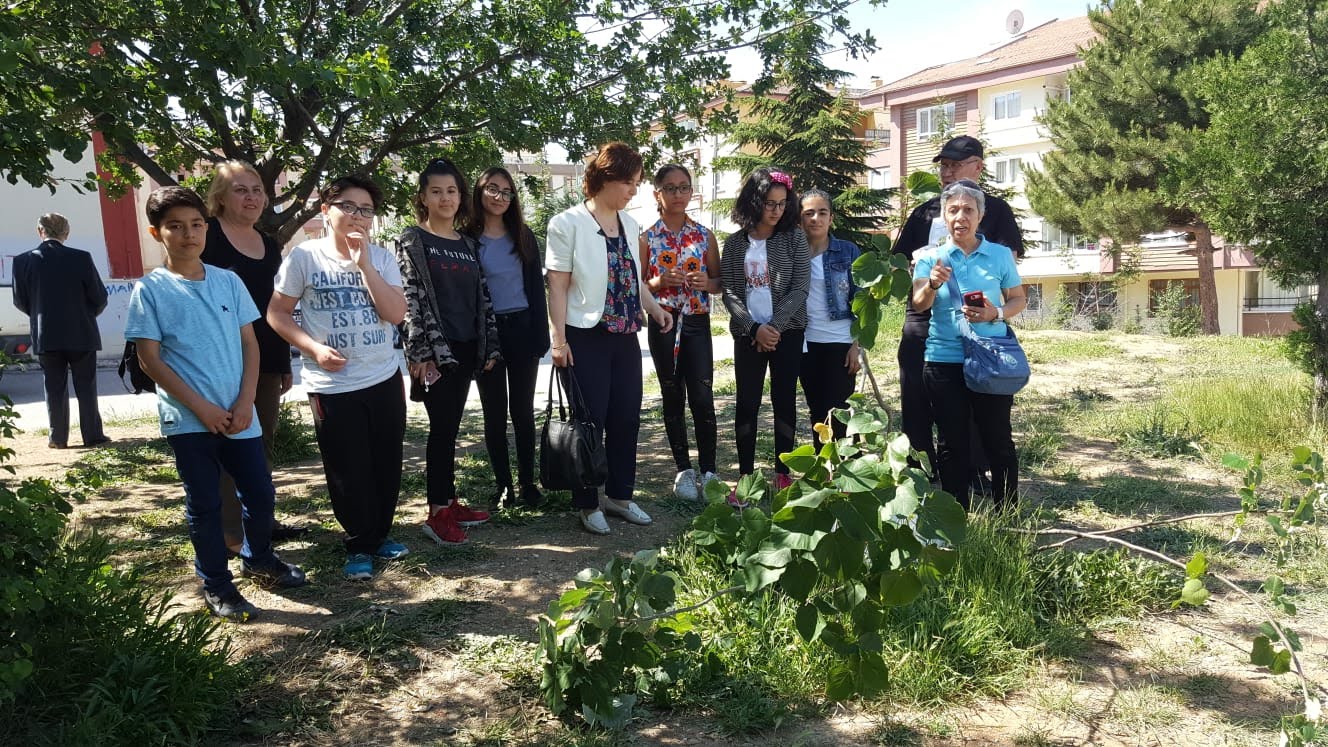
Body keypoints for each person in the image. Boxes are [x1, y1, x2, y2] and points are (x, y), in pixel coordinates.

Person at [125, 186, 306, 621]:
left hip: (240, 414)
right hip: (190, 421)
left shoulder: (228, 281)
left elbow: (251, 345)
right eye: (175, 226)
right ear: (156, 233)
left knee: (259, 493)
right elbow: (150, 360)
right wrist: (202, 408)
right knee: (205, 503)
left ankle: (259, 558)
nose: (188, 234)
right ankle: (217, 584)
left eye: (195, 224)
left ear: (206, 227)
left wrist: (246, 402)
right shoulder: (150, 290)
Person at [268, 175, 409, 581]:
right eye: (348, 206)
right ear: (326, 210)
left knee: (386, 462)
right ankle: (359, 543)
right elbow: (277, 314)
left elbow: (395, 313)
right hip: (332, 386)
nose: (357, 216)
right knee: (348, 467)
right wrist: (312, 348)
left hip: (382, 377)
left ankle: (380, 535)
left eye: (366, 210)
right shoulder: (305, 257)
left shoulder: (381, 258)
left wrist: (364, 265)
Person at [546, 142, 673, 535]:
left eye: (636, 182)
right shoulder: (566, 223)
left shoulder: (630, 225)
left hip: (625, 336)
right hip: (586, 336)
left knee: (626, 418)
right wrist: (558, 340)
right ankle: (587, 503)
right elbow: (557, 286)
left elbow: (633, 279)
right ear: (604, 179)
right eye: (628, 182)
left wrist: (655, 308)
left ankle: (620, 495)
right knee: (590, 422)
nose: (634, 190)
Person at [893, 136, 1024, 471]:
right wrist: (924, 273)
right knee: (916, 395)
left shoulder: (996, 210)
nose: (947, 171)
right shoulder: (925, 211)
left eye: (955, 164)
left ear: (978, 167)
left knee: (979, 396)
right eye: (944, 165)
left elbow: (1008, 263)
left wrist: (990, 307)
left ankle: (974, 472)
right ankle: (920, 471)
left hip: (976, 319)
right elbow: (900, 260)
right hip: (924, 314)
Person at [201, 160, 305, 556]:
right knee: (228, 442)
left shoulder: (269, 243)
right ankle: (231, 533)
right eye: (240, 189)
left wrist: (283, 362)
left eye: (257, 190)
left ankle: (261, 521)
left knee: (261, 443)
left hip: (266, 359)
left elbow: (275, 307)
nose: (251, 197)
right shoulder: (205, 235)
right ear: (220, 196)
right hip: (219, 360)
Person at [396, 158, 500, 545]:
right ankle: (437, 513)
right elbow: (409, 300)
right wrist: (419, 352)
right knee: (441, 429)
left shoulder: (468, 244)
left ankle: (449, 501)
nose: (445, 198)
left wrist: (489, 344)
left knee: (452, 427)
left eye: (452, 191)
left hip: (468, 347)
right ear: (423, 197)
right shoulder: (413, 240)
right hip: (436, 353)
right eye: (436, 191)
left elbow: (482, 298)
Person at [911, 180, 1027, 509]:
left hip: (990, 358)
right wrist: (932, 284)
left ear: (980, 216)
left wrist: (995, 313)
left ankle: (1007, 513)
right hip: (943, 359)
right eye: (953, 210)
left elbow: (1018, 299)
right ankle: (956, 515)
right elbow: (919, 304)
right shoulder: (930, 258)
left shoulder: (1000, 255)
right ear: (944, 217)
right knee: (951, 441)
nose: (960, 216)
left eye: (968, 210)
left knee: (997, 438)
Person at [720, 167, 810, 501]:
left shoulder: (794, 238)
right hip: (748, 335)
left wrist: (773, 328)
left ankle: (782, 474)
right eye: (770, 203)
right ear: (754, 202)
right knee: (747, 403)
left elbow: (800, 288)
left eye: (782, 203)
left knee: (784, 400)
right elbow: (729, 292)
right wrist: (754, 329)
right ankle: (745, 478)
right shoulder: (734, 244)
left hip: (787, 333)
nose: (776, 210)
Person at [467, 167, 550, 510]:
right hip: (487, 334)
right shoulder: (466, 238)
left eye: (506, 192)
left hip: (522, 329)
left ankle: (528, 483)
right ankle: (504, 485)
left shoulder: (523, 235)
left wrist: (542, 336)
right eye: (492, 189)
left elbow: (536, 290)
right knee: (494, 413)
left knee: (523, 411)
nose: (499, 197)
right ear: (479, 192)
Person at [638, 163, 722, 501]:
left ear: (691, 191)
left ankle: (710, 472)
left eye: (683, 187)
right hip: (663, 322)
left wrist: (706, 282)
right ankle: (683, 471)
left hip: (697, 321)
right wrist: (659, 282)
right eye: (670, 188)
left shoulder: (704, 235)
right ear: (657, 193)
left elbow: (719, 282)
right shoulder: (646, 238)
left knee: (702, 396)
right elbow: (637, 287)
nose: (678, 194)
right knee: (673, 395)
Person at [12, 213, 110, 449]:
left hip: (46, 333)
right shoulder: (81, 258)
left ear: (40, 231)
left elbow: (20, 301)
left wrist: (39, 314)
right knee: (86, 386)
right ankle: (92, 435)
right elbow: (99, 297)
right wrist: (86, 315)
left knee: (53, 386)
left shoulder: (23, 261)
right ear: (67, 233)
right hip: (81, 331)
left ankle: (57, 437)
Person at [797, 189, 861, 451]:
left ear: (831, 218)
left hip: (841, 343)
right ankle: (824, 467)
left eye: (822, 212)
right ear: (800, 218)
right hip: (806, 343)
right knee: (817, 413)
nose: (816, 218)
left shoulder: (847, 251)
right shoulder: (792, 253)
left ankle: (848, 467)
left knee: (840, 412)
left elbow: (862, 300)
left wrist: (857, 345)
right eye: (809, 213)